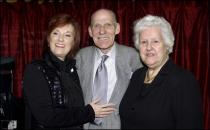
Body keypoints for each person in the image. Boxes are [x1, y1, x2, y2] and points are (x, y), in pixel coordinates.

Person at [23, 14, 116, 129]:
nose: (60, 39)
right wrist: (89, 112)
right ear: (48, 39)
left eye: (67, 35)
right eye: (56, 33)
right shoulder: (36, 69)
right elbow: (46, 117)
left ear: (73, 42)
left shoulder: (73, 70)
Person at [119, 14, 204, 129]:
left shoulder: (184, 81)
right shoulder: (137, 75)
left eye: (155, 41)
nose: (149, 47)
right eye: (144, 42)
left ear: (167, 45)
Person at [75, 8, 142, 129]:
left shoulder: (134, 57)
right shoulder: (80, 57)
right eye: (97, 26)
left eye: (108, 25)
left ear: (117, 28)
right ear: (90, 31)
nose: (102, 31)